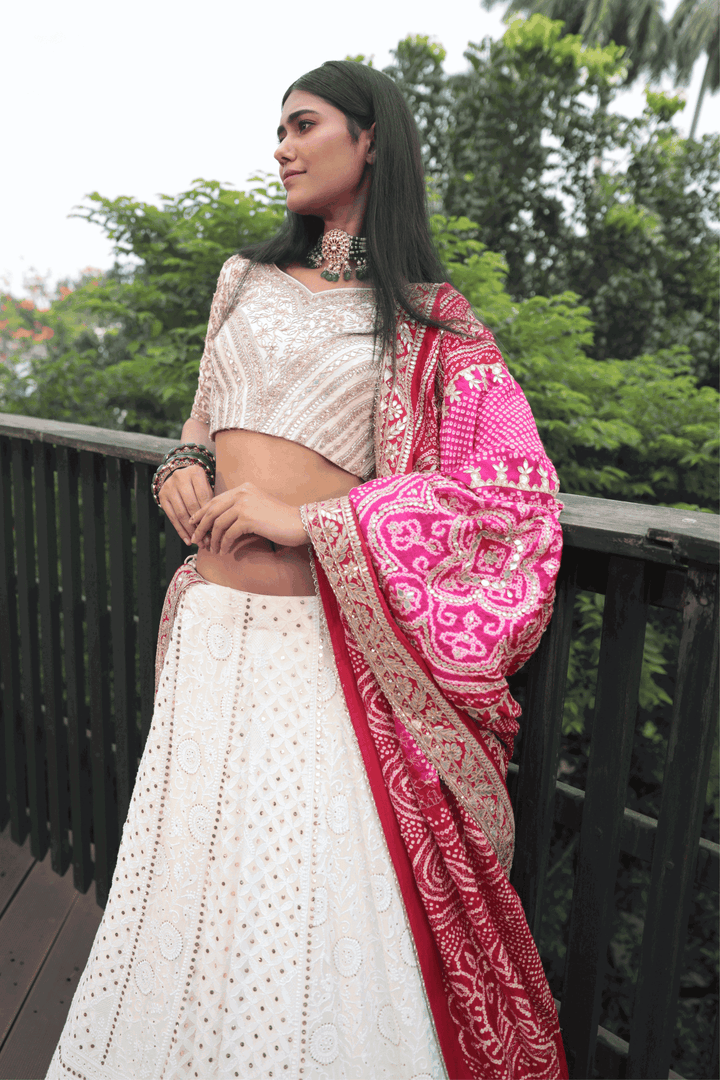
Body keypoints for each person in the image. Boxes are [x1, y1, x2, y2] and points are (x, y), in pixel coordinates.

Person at [47, 61, 568, 1080]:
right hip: (207, 635)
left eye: (302, 124)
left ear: (370, 139)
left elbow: (512, 499)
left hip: (313, 656)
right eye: (277, 128)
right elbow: (197, 429)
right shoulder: (242, 280)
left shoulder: (432, 320)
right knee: (187, 900)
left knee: (300, 912)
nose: (280, 146)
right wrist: (181, 477)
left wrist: (314, 520)